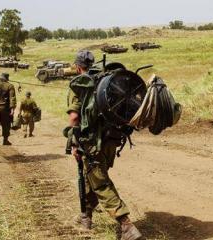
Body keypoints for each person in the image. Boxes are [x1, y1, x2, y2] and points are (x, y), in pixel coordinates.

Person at [67, 50, 142, 240]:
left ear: (77, 67)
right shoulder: (106, 81)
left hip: (92, 143)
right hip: (112, 141)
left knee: (99, 182)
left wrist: (74, 143)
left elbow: (75, 117)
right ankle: (86, 216)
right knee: (91, 177)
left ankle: (126, 226)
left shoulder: (80, 86)